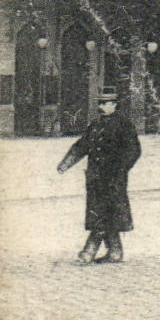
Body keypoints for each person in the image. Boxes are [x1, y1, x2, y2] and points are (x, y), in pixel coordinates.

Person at [57, 92, 141, 264]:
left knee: (103, 213)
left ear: (115, 105)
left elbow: (134, 150)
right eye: (100, 104)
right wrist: (66, 163)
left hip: (114, 179)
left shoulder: (124, 125)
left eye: (106, 104)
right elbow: (82, 145)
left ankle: (89, 251)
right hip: (96, 178)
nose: (102, 107)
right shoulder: (95, 125)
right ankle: (115, 251)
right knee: (105, 213)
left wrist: (121, 168)